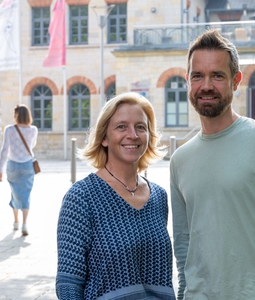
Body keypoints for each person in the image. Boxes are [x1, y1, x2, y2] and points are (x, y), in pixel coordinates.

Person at [170, 29, 255, 299]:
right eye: (197, 75)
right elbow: (184, 248)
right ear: (188, 80)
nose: (206, 85)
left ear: (236, 81)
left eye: (217, 75)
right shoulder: (179, 160)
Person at [56, 92, 175, 299]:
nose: (133, 134)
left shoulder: (159, 197)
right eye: (121, 126)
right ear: (104, 137)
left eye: (141, 127)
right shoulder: (81, 197)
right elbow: (68, 285)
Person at [0, 104, 38, 236]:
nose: (13, 116)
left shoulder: (9, 129)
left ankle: (16, 221)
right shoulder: (33, 130)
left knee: (15, 192)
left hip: (12, 165)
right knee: (26, 193)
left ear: (18, 115)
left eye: (15, 113)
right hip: (27, 165)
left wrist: (0, 169)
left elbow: (4, 150)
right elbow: (33, 145)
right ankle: (24, 223)